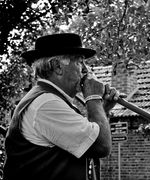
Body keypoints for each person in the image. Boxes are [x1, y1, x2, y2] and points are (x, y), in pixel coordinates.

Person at [3, 33, 120, 180]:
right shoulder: (47, 104)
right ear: (57, 66)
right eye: (79, 62)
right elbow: (100, 145)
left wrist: (103, 109)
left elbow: (89, 135)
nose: (86, 70)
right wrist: (93, 98)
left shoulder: (49, 99)